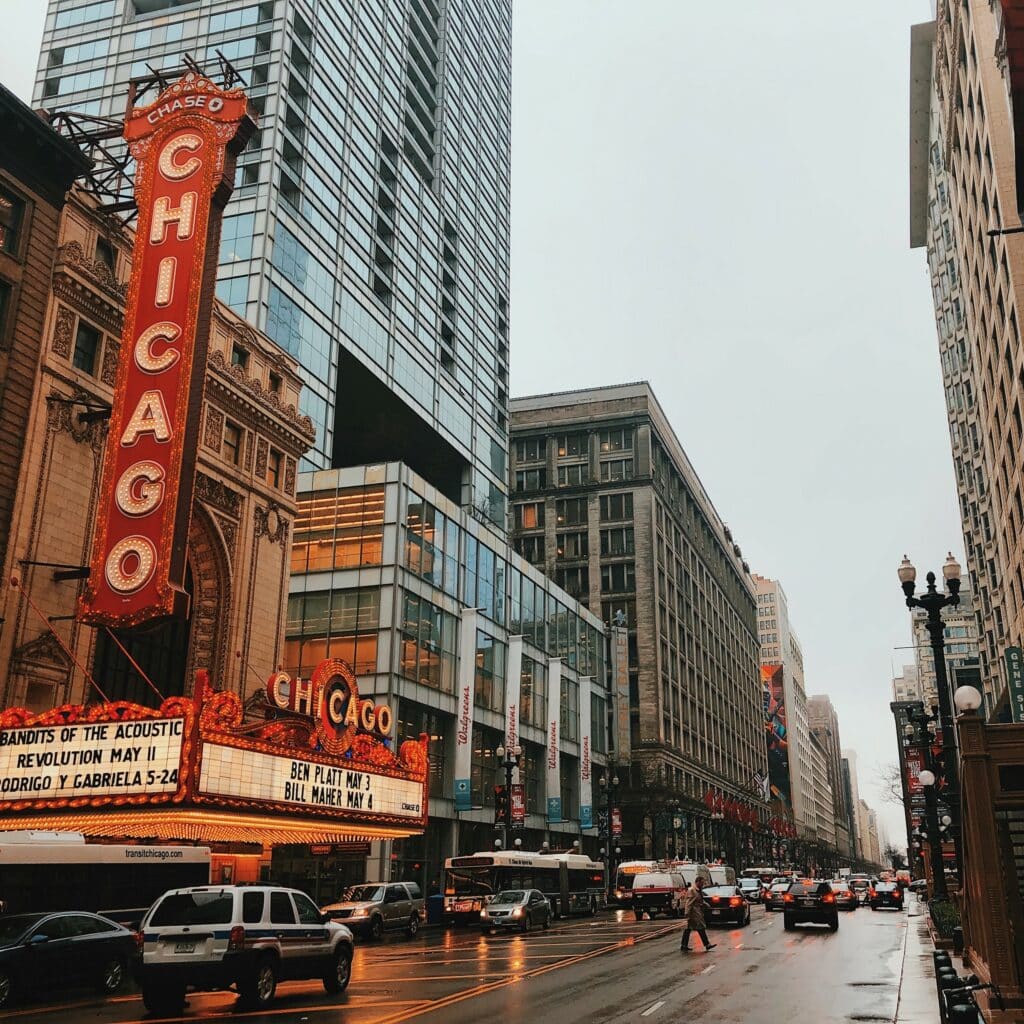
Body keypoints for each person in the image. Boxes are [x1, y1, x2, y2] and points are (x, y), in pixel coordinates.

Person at [680, 877, 716, 952]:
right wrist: (687, 913)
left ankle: (684, 945)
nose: (703, 884)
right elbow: (689, 903)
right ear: (697, 882)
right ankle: (707, 944)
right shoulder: (692, 890)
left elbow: (700, 900)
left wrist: (706, 904)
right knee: (701, 927)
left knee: (688, 929)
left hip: (697, 911)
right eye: (702, 883)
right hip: (694, 912)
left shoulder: (698, 890)